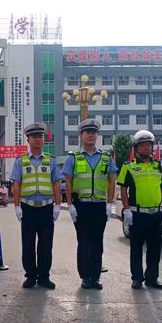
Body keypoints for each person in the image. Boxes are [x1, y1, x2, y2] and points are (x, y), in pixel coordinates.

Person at [62, 119, 117, 290]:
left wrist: (110, 204)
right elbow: (68, 182)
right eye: (88, 132)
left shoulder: (106, 158)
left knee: (97, 243)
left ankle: (95, 276)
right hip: (81, 206)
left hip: (99, 206)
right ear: (81, 135)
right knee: (83, 241)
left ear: (97, 135)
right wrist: (70, 205)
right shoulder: (74, 158)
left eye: (94, 132)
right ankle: (85, 276)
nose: (91, 135)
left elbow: (111, 181)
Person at [10, 122, 62, 289]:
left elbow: (56, 183)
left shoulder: (51, 160)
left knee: (46, 245)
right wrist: (17, 206)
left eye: (40, 136)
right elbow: (16, 185)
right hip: (28, 207)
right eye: (34, 137)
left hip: (46, 208)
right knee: (28, 244)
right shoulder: (21, 161)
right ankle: (31, 276)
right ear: (28, 139)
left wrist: (57, 205)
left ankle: (44, 277)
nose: (38, 139)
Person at [118, 130, 162, 290]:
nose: (146, 148)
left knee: (155, 248)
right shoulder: (129, 167)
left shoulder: (159, 166)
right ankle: (137, 278)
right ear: (136, 148)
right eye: (142, 145)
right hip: (137, 214)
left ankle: (152, 278)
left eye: (148, 145)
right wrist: (126, 210)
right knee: (136, 248)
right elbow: (123, 189)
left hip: (155, 214)